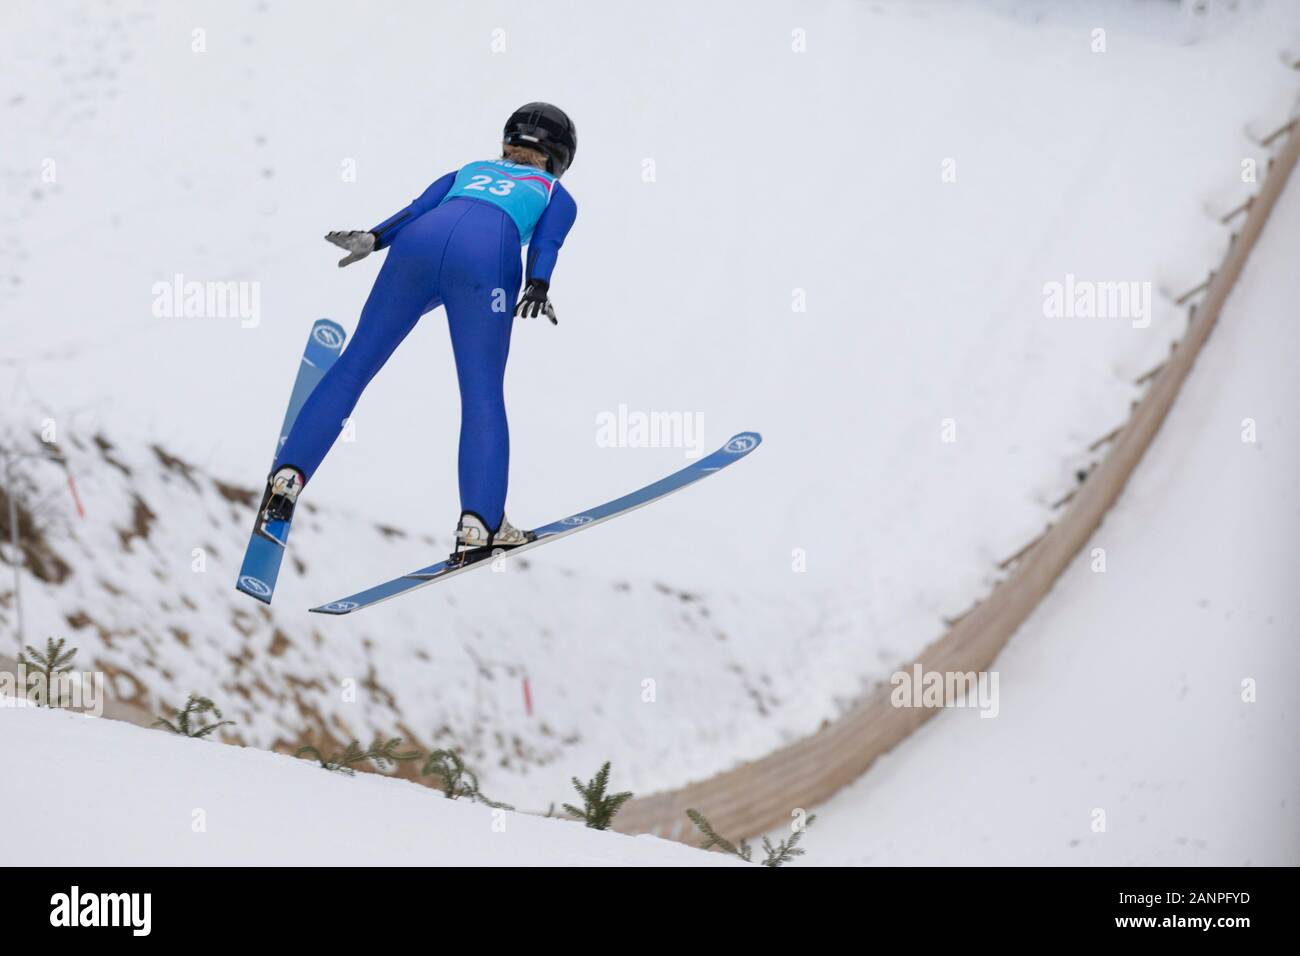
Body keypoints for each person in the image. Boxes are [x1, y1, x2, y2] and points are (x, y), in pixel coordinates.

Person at [262, 102, 578, 563]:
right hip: (487, 255)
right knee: (482, 394)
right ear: (562, 155)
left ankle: (287, 478)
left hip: (417, 245)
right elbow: (547, 243)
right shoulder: (555, 193)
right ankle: (480, 524)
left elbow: (416, 210)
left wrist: (372, 238)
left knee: (354, 366)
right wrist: (538, 283)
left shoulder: (467, 170)